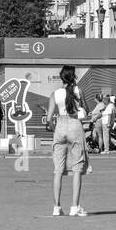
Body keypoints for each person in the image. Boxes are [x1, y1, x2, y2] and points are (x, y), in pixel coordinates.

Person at [45, 65, 89, 217]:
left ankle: (56, 207)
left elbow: (49, 119)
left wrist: (52, 127)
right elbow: (86, 110)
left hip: (60, 126)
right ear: (74, 77)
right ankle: (74, 207)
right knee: (77, 168)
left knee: (58, 169)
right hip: (75, 125)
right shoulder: (78, 91)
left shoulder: (55, 94)